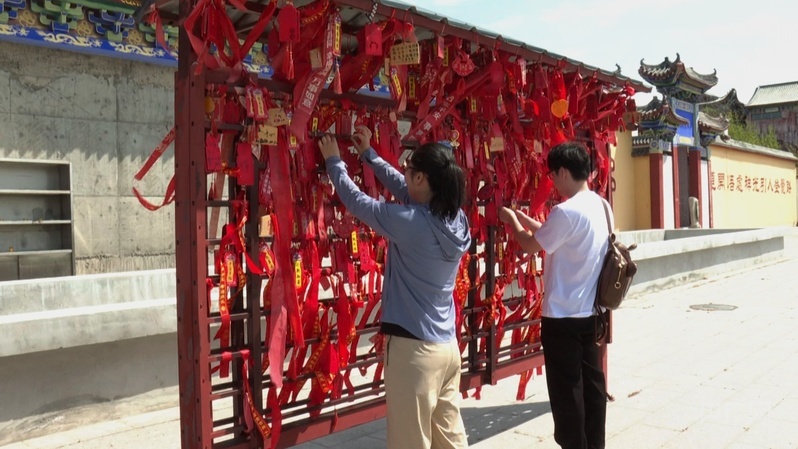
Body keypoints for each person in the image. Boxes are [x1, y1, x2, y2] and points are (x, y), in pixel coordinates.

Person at [318, 126, 471, 449]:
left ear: (422, 179)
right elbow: (405, 189)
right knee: (449, 440)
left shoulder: (411, 223)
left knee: (409, 442)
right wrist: (369, 155)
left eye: (409, 170)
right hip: (446, 348)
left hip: (414, 353)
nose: (404, 174)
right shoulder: (456, 218)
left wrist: (334, 162)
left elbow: (359, 203)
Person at [498, 142, 610, 449]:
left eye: (552, 175)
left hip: (563, 317)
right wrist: (527, 220)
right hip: (592, 314)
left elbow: (530, 244)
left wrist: (512, 221)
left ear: (563, 172)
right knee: (592, 386)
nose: (553, 182)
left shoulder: (566, 211)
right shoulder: (601, 206)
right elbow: (557, 236)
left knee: (567, 392)